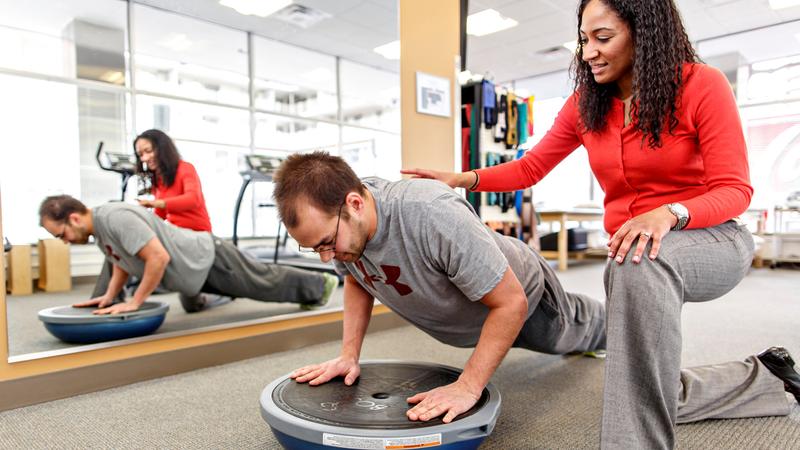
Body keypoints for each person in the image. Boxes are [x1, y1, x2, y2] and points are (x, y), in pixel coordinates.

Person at [402, 0, 800, 448]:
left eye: (603, 38)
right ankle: (765, 377)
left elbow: (734, 190)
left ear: (645, 34)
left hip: (712, 238)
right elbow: (531, 167)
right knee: (642, 378)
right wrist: (465, 178)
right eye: (584, 39)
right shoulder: (586, 104)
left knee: (635, 271)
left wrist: (669, 212)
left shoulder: (701, 85)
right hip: (637, 252)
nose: (589, 51)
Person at [272, 152, 606, 424]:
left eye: (327, 243)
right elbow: (356, 278)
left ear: (355, 204)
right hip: (474, 318)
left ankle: (629, 317)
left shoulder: (431, 214)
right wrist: (349, 355)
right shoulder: (344, 231)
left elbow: (511, 303)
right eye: (315, 248)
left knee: (577, 333)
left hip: (528, 299)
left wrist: (468, 386)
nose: (326, 256)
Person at [39, 195, 339, 315]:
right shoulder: (101, 230)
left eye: (60, 234)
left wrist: (134, 302)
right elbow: (122, 263)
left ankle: (320, 285)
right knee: (200, 303)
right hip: (192, 271)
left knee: (264, 283)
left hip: (206, 256)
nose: (63, 241)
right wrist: (108, 297)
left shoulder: (115, 217)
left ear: (74, 219)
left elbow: (157, 258)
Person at [90, 129, 214, 309]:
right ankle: (105, 298)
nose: (144, 158)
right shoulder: (158, 179)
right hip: (173, 236)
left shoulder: (185, 168)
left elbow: (192, 199)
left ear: (162, 148)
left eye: (148, 151)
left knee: (191, 304)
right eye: (140, 155)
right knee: (118, 243)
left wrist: (158, 203)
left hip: (195, 236)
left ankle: (206, 297)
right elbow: (161, 217)